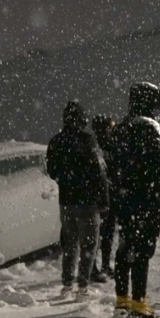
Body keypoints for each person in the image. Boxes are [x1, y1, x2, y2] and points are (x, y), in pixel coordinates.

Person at [111, 82, 160, 318]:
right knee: (143, 250)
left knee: (125, 247)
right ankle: (139, 301)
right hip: (145, 200)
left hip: (125, 199)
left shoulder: (123, 126)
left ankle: (122, 298)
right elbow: (158, 166)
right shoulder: (149, 127)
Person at [46, 101, 110, 300]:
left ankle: (67, 284)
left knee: (70, 244)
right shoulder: (86, 140)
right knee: (89, 245)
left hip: (66, 200)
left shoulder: (56, 141)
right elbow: (98, 171)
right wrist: (103, 198)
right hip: (87, 201)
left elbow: (51, 170)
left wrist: (66, 179)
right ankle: (82, 286)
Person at [91, 114, 118, 282]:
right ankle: (92, 268)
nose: (112, 131)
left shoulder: (112, 146)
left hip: (111, 196)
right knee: (96, 235)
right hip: (99, 197)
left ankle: (106, 265)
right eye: (110, 128)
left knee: (107, 234)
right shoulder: (95, 148)